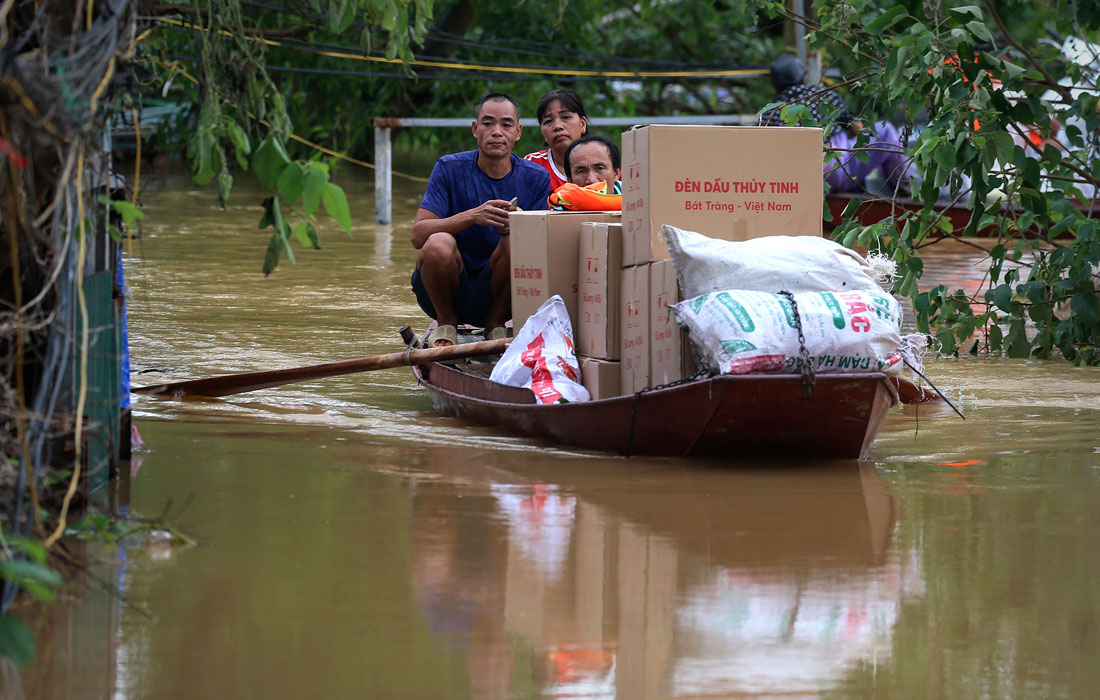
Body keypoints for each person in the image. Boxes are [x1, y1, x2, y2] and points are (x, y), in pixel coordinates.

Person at [411, 93, 551, 347]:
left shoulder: (537, 177)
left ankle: (495, 325)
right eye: (488, 124)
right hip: (448, 287)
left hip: (502, 294)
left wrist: (521, 226)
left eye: (506, 125)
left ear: (517, 132)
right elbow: (418, 236)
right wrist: (473, 216)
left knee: (517, 243)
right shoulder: (448, 167)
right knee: (437, 243)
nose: (497, 132)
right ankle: (446, 323)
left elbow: (544, 246)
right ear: (476, 129)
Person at [761, 54, 910, 195]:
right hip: (831, 172)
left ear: (774, 85)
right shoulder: (822, 95)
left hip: (791, 183)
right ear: (804, 78)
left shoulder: (769, 112)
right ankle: (904, 188)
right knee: (887, 131)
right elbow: (857, 129)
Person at [524, 88, 589, 191]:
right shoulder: (531, 165)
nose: (557, 126)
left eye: (566, 117)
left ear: (582, 124)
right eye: (548, 121)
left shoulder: (604, 161)